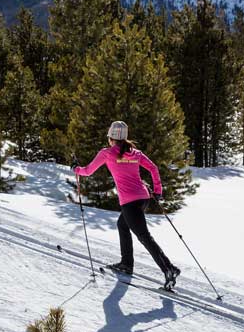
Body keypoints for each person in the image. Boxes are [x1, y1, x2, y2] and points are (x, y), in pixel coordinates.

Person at [73, 121, 181, 289]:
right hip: (143, 198)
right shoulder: (135, 153)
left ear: (111, 137)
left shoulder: (107, 153)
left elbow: (88, 171)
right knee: (122, 224)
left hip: (130, 202)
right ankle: (126, 264)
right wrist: (158, 191)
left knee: (144, 237)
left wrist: (76, 169)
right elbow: (153, 168)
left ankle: (169, 269)